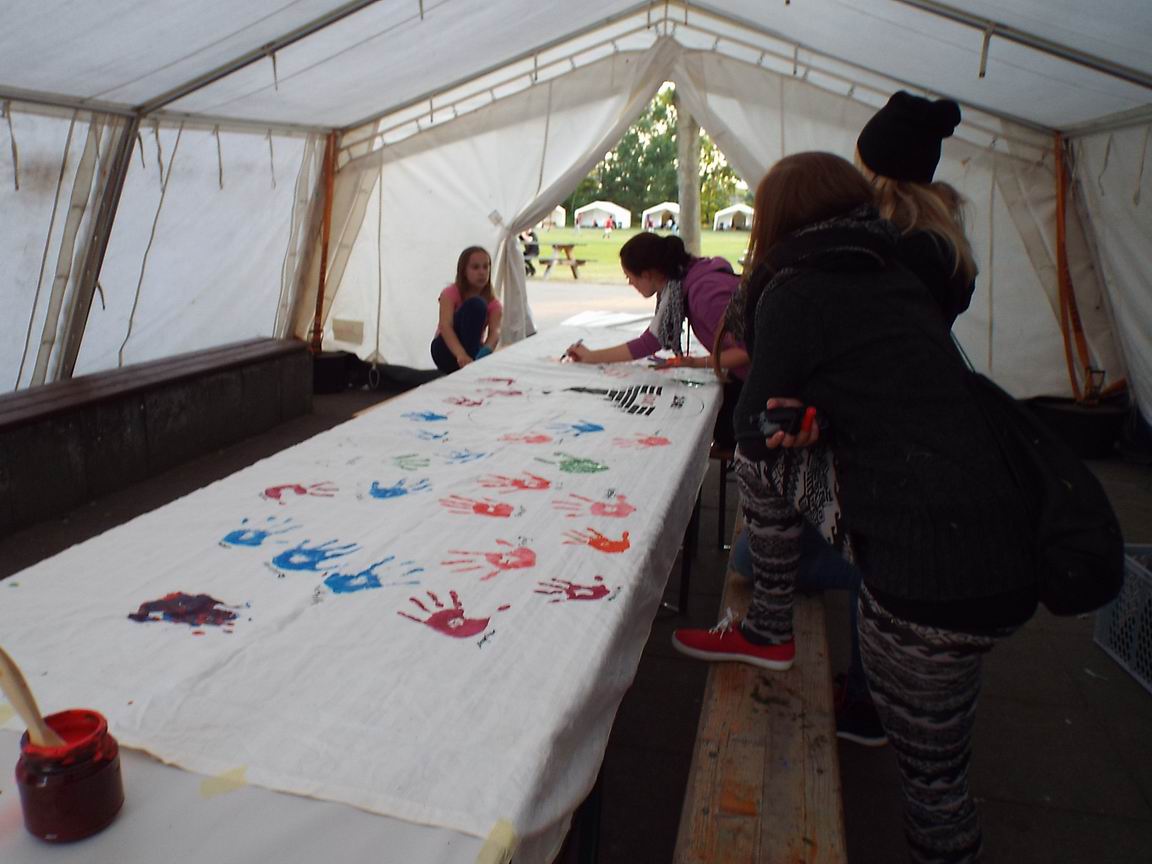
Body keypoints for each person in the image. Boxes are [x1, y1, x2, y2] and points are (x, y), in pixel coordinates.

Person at [672, 152, 1036, 864]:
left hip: (928, 571)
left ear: (775, 216)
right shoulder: (896, 272)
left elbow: (755, 431)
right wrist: (820, 419)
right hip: (1001, 542)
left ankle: (770, 629)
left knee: (934, 792)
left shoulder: (796, 285)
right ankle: (783, 637)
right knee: (940, 776)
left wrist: (794, 423)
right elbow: (889, 393)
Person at [725, 89, 977, 748]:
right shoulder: (934, 244)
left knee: (799, 545)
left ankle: (868, 698)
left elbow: (863, 377)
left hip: (902, 471)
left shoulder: (892, 252)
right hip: (914, 449)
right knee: (760, 546)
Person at [564, 232, 748, 450]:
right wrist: (592, 356)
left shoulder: (704, 294)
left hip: (762, 380)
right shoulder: (679, 281)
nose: (630, 283)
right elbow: (650, 341)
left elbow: (748, 351)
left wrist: (699, 363)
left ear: (647, 274)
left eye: (629, 277)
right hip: (744, 374)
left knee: (714, 428)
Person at [430, 246, 502, 373]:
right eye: (475, 267)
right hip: (446, 348)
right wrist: (461, 355)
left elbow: (494, 333)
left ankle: (470, 363)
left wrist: (483, 354)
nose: (482, 272)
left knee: (478, 305)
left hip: (473, 350)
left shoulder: (494, 304)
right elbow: (445, 326)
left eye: (486, 267)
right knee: (477, 304)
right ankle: (467, 361)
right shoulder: (450, 293)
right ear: (463, 271)